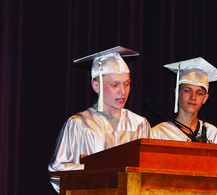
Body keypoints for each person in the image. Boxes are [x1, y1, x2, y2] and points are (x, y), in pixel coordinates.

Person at [48, 46, 152, 193]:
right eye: (115, 85)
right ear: (96, 86)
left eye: (126, 84)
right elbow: (58, 171)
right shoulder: (79, 124)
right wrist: (101, 169)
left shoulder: (139, 125)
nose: (123, 91)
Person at [151, 57, 217, 144]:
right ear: (177, 93)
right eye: (187, 90)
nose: (193, 97)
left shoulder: (214, 135)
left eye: (199, 93)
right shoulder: (159, 134)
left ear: (205, 98)